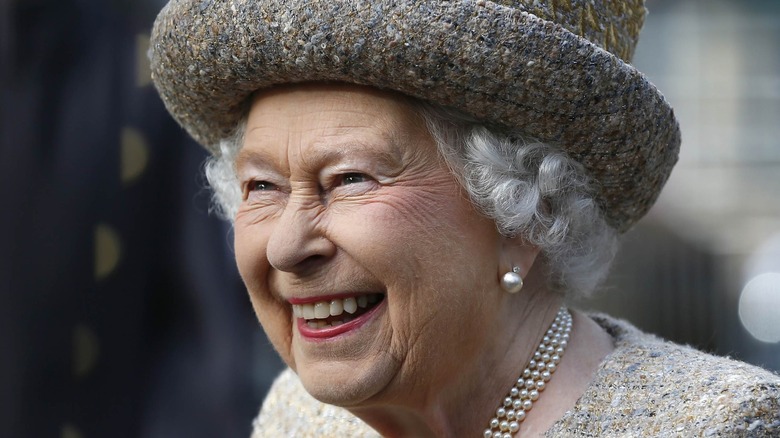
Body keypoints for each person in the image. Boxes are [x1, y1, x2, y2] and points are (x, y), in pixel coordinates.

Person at [149, 0, 780, 436]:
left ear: (525, 214)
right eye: (262, 186)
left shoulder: (715, 427)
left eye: (348, 179)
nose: (286, 246)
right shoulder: (300, 422)